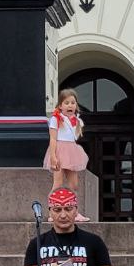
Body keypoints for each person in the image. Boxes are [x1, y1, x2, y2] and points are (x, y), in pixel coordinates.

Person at [44, 89, 90, 223]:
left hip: (72, 151)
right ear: (60, 105)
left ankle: (74, 211)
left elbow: (75, 137)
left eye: (73, 103)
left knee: (74, 184)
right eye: (66, 103)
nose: (70, 105)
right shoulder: (56, 119)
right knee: (57, 183)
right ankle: (52, 211)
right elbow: (53, 138)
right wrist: (53, 156)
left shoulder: (77, 121)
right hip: (59, 149)